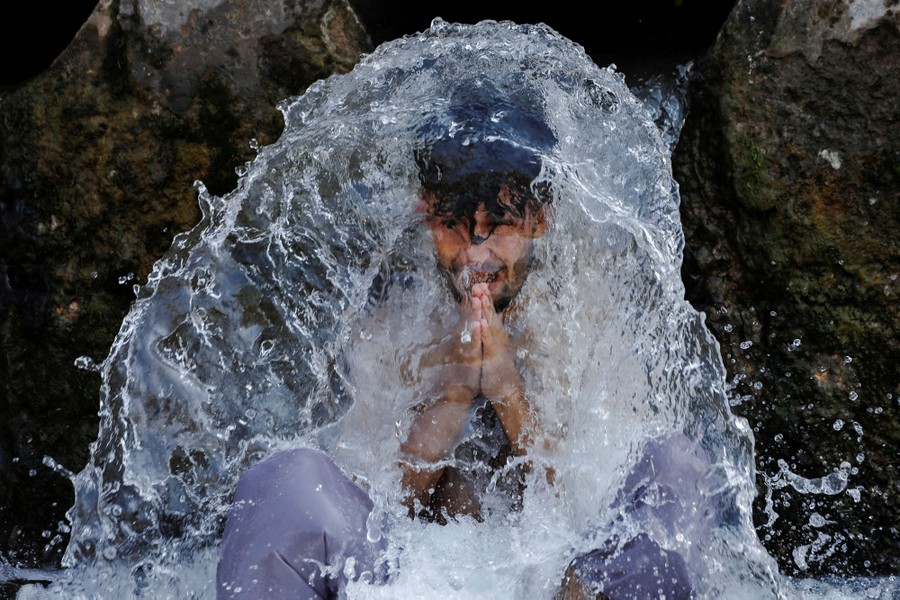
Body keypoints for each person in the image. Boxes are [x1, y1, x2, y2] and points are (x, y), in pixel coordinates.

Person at [217, 86, 708, 599]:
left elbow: (593, 517)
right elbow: (358, 514)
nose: (475, 254)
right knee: (286, 480)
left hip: (558, 588)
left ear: (542, 218)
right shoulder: (394, 324)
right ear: (426, 215)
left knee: (678, 469)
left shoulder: (587, 319)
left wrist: (508, 390)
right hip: (416, 582)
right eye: (454, 227)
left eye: (497, 226)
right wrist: (449, 401)